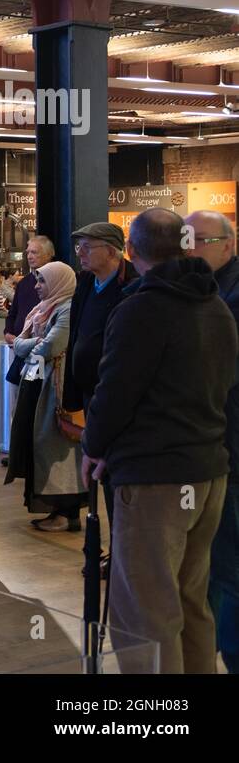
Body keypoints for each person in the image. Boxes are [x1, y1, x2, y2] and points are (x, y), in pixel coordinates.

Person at [82, 208, 235, 674]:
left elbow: (116, 391)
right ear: (186, 246)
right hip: (209, 470)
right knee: (191, 602)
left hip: (155, 479)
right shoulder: (215, 305)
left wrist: (94, 445)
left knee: (145, 611)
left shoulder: (141, 309)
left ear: (130, 251)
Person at [184, 210, 239, 672]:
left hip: (227, 448)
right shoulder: (203, 292)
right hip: (209, 450)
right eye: (185, 239)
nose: (190, 248)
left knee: (227, 567)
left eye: (199, 239)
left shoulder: (227, 298)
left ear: (227, 244)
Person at [62, 221, 137, 527]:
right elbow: (76, 332)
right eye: (78, 246)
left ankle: (123, 546)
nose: (80, 253)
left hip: (118, 393)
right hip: (90, 392)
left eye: (87, 247)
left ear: (111, 250)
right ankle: (111, 544)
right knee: (99, 470)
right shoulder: (84, 283)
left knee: (116, 468)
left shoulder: (132, 284)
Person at [4, 261, 81, 531]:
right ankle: (55, 510)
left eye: (42, 281)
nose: (36, 287)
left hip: (55, 389)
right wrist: (29, 344)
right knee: (38, 444)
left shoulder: (67, 309)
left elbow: (48, 347)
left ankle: (66, 512)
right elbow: (28, 343)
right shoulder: (44, 310)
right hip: (37, 383)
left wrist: (24, 344)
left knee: (56, 448)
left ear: (58, 282)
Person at [4, 235, 54, 341]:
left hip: (41, 345)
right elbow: (13, 313)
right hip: (18, 344)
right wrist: (8, 332)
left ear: (48, 255)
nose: (29, 256)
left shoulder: (56, 282)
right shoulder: (23, 283)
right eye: (28, 252)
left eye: (34, 252)